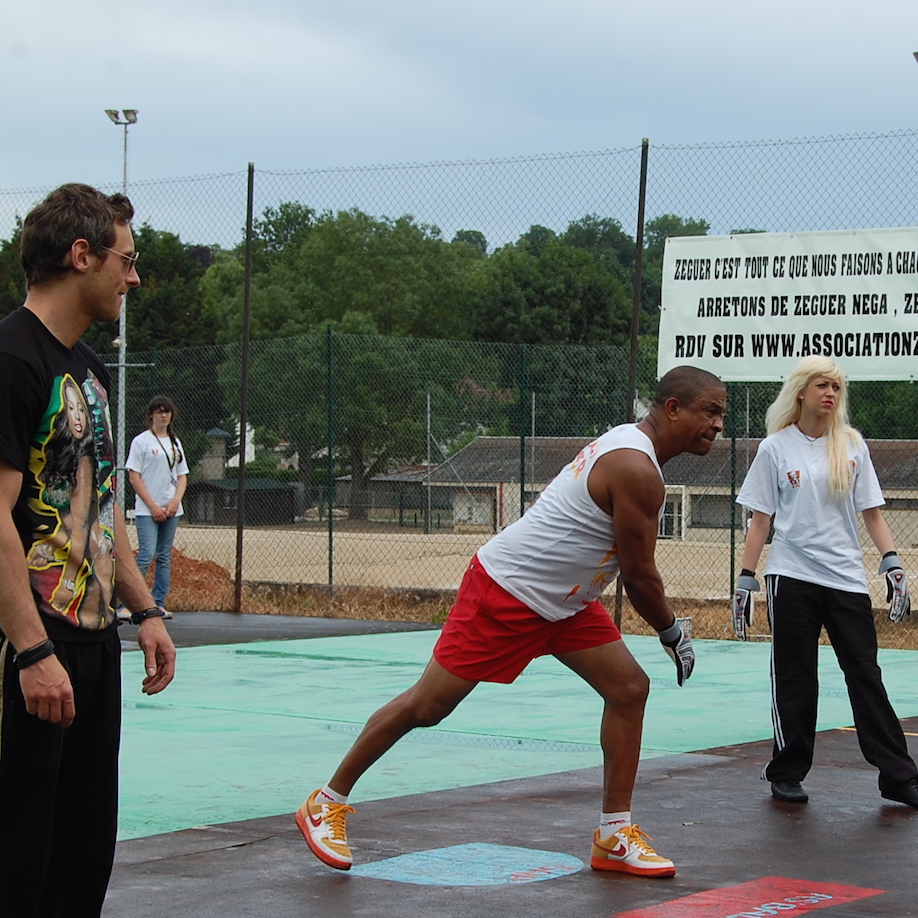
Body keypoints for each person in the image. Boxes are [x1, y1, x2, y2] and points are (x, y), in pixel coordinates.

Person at [296, 366, 727, 878]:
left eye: (720, 414)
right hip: (508, 591)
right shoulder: (635, 467)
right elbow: (639, 577)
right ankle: (326, 802)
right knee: (427, 706)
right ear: (673, 408)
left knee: (629, 688)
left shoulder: (634, 448)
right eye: (711, 412)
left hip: (566, 603)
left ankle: (613, 835)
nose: (718, 425)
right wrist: (672, 632)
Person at [0, 183, 177, 918]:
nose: (134, 273)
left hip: (91, 636)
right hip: (21, 645)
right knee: (8, 851)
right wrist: (32, 649)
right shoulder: (7, 362)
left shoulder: (89, 370)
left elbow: (100, 513)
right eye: (125, 257)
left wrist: (145, 611)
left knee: (82, 845)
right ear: (80, 254)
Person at [731, 356, 918, 810]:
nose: (830, 394)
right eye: (822, 385)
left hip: (845, 577)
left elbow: (872, 513)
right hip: (792, 575)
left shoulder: (851, 444)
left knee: (865, 673)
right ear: (802, 391)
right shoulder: (775, 448)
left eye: (837, 387)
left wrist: (892, 561)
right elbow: (760, 520)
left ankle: (899, 778)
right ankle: (786, 773)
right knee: (796, 677)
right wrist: (746, 579)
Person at [124, 395, 189, 616]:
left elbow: (182, 476)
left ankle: (158, 601)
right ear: (151, 415)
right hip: (147, 509)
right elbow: (134, 476)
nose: (163, 415)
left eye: (167, 411)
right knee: (146, 554)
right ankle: (128, 604)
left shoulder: (175, 443)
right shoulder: (141, 441)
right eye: (159, 411)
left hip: (171, 508)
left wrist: (175, 501)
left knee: (164, 556)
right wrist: (152, 506)